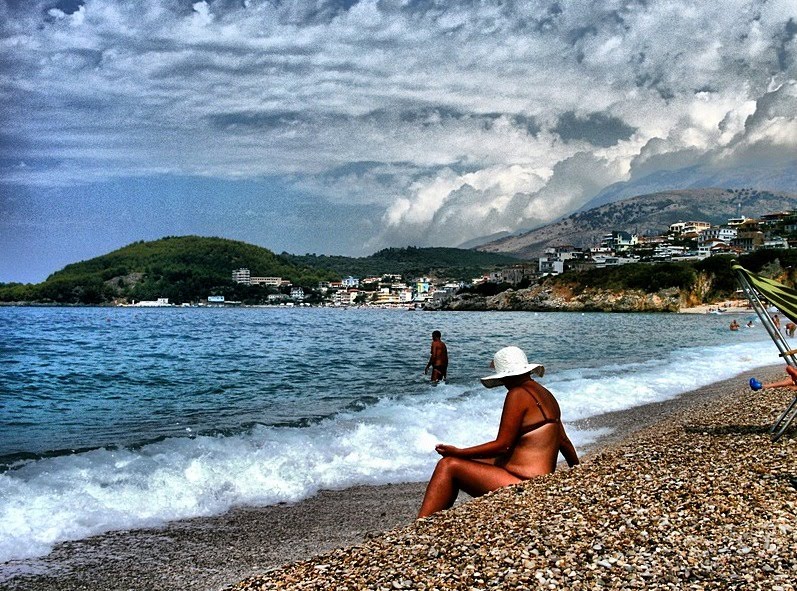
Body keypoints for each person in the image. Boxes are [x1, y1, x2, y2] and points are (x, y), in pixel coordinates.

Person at [417, 346, 579, 518]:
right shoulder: (546, 394)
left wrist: (459, 452)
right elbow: (563, 441)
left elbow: (503, 446)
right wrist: (577, 474)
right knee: (464, 460)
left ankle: (421, 524)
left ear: (506, 376)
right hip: (540, 481)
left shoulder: (517, 394)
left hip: (524, 484)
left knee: (448, 465)